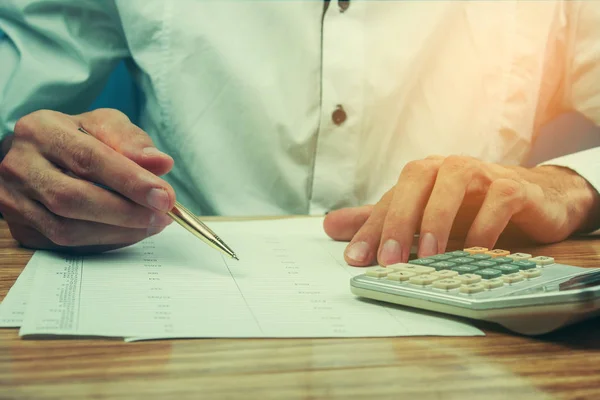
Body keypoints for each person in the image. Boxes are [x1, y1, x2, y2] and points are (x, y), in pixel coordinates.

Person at [0, 0, 598, 267]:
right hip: (179, 331)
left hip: (473, 329)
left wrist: (574, 185)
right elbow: (19, 125)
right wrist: (34, 167)